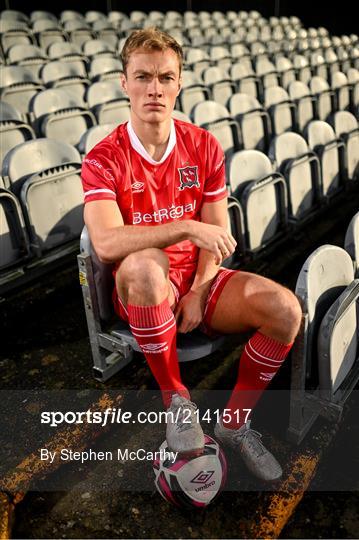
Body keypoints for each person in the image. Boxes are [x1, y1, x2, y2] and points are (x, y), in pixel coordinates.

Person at [81, 28, 302, 482]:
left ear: (180, 83)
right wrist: (183, 227)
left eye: (166, 77)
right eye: (143, 76)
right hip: (143, 287)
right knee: (145, 264)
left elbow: (216, 235)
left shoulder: (203, 145)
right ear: (125, 82)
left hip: (197, 277)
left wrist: (201, 291)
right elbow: (104, 244)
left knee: (285, 310)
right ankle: (176, 399)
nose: (154, 88)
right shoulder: (103, 157)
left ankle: (235, 425)